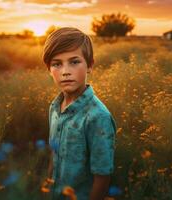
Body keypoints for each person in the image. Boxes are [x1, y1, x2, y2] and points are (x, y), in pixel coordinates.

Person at [41, 27, 117, 200]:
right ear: (49, 69)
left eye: (74, 62)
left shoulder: (98, 117)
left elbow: (102, 177)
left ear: (90, 65)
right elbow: (54, 154)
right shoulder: (54, 107)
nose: (65, 71)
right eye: (57, 64)